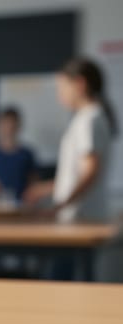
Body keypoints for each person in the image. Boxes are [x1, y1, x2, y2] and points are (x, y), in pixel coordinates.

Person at [24, 57, 118, 222]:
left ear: (80, 84)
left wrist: (60, 205)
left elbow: (90, 172)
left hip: (82, 216)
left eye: (62, 87)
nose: (59, 94)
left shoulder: (90, 119)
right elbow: (76, 174)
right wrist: (47, 189)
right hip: (82, 214)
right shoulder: (87, 118)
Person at [0, 107, 38, 200]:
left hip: (21, 204)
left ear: (18, 125)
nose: (9, 127)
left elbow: (33, 182)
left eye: (12, 123)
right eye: (6, 123)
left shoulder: (26, 154)